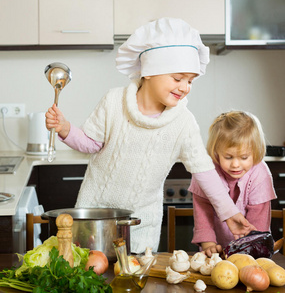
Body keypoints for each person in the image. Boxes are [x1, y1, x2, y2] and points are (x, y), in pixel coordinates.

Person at [45, 18, 255, 254]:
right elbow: (90, 143)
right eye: (177, 78)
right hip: (95, 217)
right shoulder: (114, 101)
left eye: (190, 81)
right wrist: (65, 128)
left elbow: (205, 174)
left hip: (140, 225)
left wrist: (229, 213)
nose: (185, 87)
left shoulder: (184, 122)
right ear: (149, 72)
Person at [190, 111, 277, 257]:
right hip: (214, 251)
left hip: (249, 254)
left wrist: (251, 248)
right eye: (228, 157)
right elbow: (202, 211)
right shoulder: (206, 171)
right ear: (216, 151)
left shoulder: (261, 174)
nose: (235, 164)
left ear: (255, 152)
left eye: (244, 157)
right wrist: (208, 243)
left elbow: (259, 219)